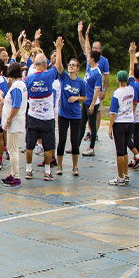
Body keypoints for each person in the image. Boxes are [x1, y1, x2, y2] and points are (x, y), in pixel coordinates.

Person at [24, 37, 63, 182]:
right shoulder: (49, 75)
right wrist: (58, 49)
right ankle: (47, 172)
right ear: (45, 64)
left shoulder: (29, 79)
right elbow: (58, 65)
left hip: (32, 116)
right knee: (48, 146)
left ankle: (28, 170)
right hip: (47, 118)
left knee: (30, 145)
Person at [55, 48, 86, 177]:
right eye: (70, 65)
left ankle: (74, 167)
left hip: (75, 115)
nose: (71, 67)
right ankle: (59, 165)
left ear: (78, 69)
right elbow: (58, 65)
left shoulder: (81, 82)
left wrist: (77, 98)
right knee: (61, 140)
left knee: (74, 141)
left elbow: (84, 97)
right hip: (63, 114)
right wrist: (59, 49)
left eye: (73, 65)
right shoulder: (64, 78)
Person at [108, 66, 136, 186]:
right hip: (130, 121)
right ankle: (125, 175)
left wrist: (110, 127)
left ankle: (120, 177)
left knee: (120, 151)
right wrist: (132, 55)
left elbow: (114, 113)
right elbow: (132, 72)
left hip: (119, 123)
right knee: (125, 150)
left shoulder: (117, 93)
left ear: (118, 80)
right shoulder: (131, 89)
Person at [0, 63, 26, 186]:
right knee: (12, 148)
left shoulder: (16, 86)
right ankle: (13, 173)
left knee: (13, 149)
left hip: (15, 122)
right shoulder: (20, 85)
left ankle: (16, 176)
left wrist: (8, 120)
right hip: (17, 120)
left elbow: (16, 105)